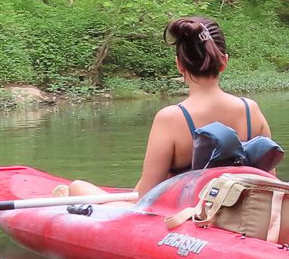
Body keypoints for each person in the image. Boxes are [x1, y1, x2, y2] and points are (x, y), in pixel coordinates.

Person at [60, 16, 273, 198]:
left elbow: (146, 195)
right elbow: (270, 180)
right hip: (235, 213)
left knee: (76, 187)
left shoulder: (170, 118)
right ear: (224, 62)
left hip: (184, 216)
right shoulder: (251, 110)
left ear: (179, 65)